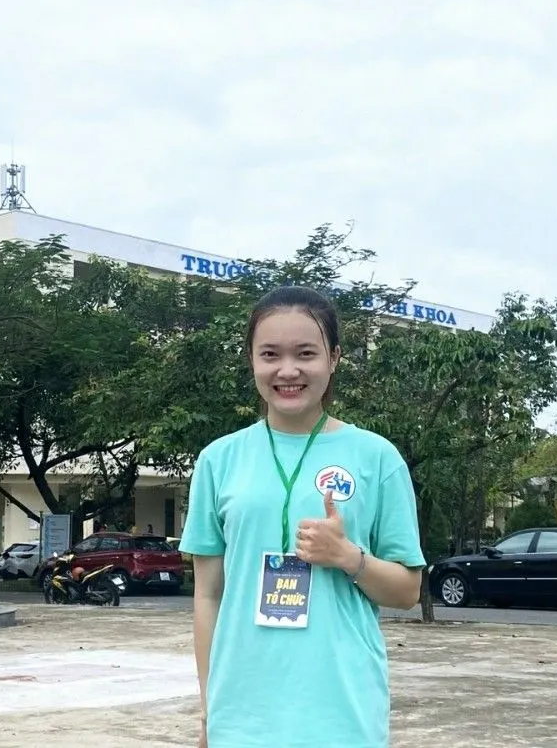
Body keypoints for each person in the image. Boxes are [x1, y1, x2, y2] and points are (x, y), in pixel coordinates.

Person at [180, 286, 426, 748]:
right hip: (243, 713)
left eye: (306, 353)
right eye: (270, 353)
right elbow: (208, 597)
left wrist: (349, 558)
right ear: (251, 359)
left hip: (343, 711)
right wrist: (211, 705)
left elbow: (407, 592)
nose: (287, 370)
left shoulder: (376, 457)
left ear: (333, 359)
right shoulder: (218, 460)